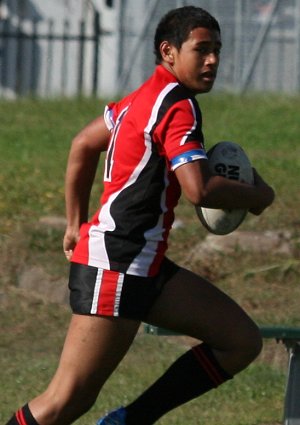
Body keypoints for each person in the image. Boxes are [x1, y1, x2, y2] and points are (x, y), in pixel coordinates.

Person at [6, 5, 275, 425]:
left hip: (142, 264)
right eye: (202, 49)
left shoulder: (141, 98)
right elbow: (198, 188)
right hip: (118, 264)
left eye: (217, 50)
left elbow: (82, 143)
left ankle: (129, 421)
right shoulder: (176, 106)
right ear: (168, 51)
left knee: (240, 340)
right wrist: (257, 195)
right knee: (66, 400)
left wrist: (75, 222)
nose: (213, 61)